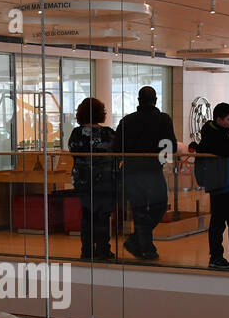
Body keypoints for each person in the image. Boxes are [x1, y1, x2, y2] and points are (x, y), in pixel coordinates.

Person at [115, 86, 177, 262]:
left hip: (131, 171)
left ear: (138, 100)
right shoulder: (163, 119)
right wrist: (162, 159)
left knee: (139, 210)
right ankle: (143, 246)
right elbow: (170, 144)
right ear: (155, 100)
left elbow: (117, 148)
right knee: (159, 205)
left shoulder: (127, 121)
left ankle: (142, 245)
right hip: (152, 169)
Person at [193, 102, 229, 269]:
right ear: (218, 119)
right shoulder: (212, 135)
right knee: (219, 221)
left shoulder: (221, 133)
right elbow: (226, 150)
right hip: (220, 184)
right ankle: (216, 256)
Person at [67, 97, 118, 261]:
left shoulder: (76, 133)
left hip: (82, 180)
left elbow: (72, 151)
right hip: (104, 181)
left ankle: (87, 249)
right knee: (103, 215)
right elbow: (118, 152)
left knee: (87, 215)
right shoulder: (108, 133)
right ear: (100, 114)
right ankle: (103, 249)